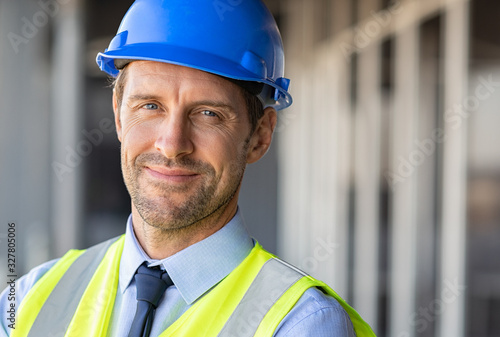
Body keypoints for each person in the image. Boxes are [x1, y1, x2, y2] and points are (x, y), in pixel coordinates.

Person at [0, 0, 375, 336]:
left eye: (208, 113)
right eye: (150, 106)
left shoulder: (301, 324)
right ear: (118, 114)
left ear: (260, 136)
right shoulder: (30, 298)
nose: (172, 144)